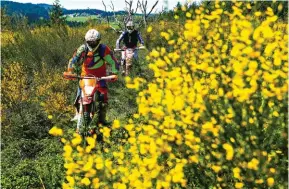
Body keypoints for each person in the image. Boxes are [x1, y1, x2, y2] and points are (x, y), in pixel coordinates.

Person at [67, 29, 119, 127]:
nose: (92, 43)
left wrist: (115, 73)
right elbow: (73, 60)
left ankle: (102, 119)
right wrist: (70, 71)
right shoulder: (82, 49)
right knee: (80, 93)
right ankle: (78, 113)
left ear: (98, 40)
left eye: (94, 42)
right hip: (85, 76)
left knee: (103, 98)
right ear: (86, 41)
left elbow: (113, 61)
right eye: (89, 42)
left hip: (100, 77)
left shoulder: (104, 49)